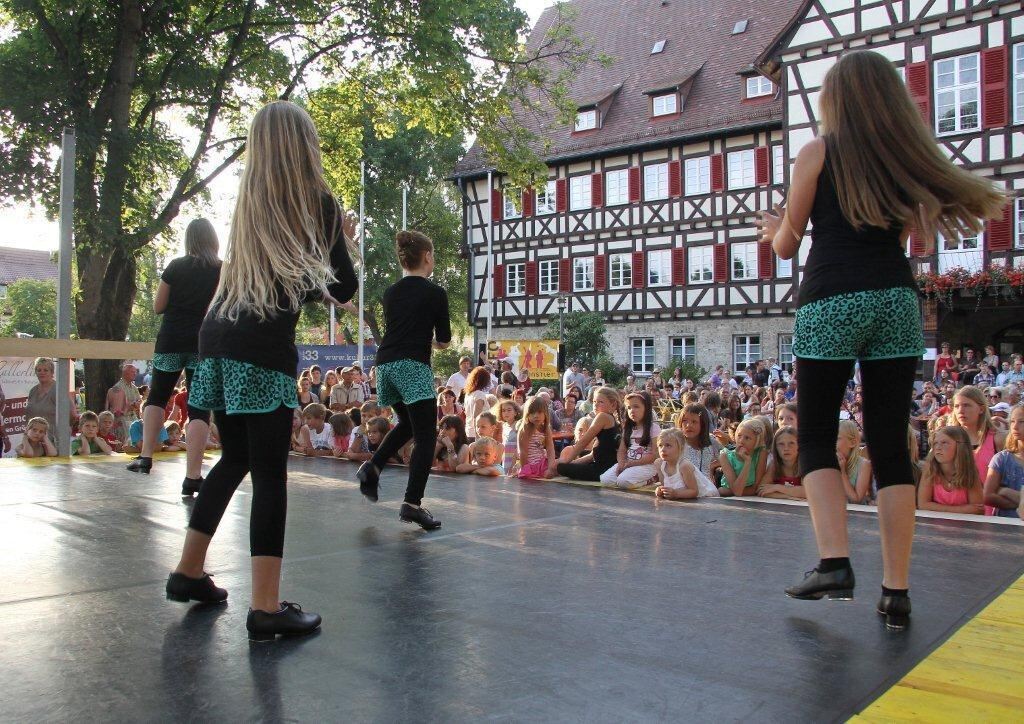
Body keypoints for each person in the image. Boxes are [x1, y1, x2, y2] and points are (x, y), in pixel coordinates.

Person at [756, 51, 1004, 629]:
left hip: (831, 299)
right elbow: (913, 230)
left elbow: (790, 244)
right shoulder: (903, 161)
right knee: (890, 444)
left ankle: (835, 562)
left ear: (835, 100)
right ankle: (896, 591)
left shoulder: (817, 152)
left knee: (816, 433)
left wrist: (773, 230)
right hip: (895, 300)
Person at [167, 101, 358, 640]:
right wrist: (343, 237)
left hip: (217, 336)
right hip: (260, 346)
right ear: (304, 145)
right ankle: (266, 607)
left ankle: (188, 571)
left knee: (235, 459)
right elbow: (343, 288)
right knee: (270, 475)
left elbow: (281, 277)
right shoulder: (317, 201)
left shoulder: (247, 203)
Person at [354, 229, 450, 531]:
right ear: (426, 257)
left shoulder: (391, 292)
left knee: (408, 425)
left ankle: (373, 467)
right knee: (426, 437)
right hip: (412, 365)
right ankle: (412, 504)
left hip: (385, 365)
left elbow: (400, 327)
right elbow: (444, 340)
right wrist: (433, 343)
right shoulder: (435, 293)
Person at [126, 218, 221, 494]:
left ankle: (145, 457)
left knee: (157, 396)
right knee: (199, 406)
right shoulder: (222, 269)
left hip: (170, 339)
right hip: (202, 343)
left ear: (188, 239)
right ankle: (193, 475)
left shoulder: (176, 266)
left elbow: (158, 306)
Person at [557, 387, 622, 481]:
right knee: (566, 464)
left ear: (613, 404)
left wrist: (566, 462)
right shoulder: (613, 420)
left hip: (601, 470)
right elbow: (592, 455)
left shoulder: (603, 416)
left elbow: (583, 442)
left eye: (600, 402)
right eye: (594, 401)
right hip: (605, 466)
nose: (596, 405)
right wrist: (571, 463)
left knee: (560, 468)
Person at [917, 426, 984, 514]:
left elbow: (977, 510)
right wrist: (961, 510)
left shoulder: (970, 472)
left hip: (964, 526)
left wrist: (935, 507)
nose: (938, 447)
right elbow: (923, 505)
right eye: (935, 443)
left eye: (944, 443)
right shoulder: (929, 470)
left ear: (960, 446)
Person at [600, 392, 660, 488]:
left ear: (647, 408)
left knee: (623, 482)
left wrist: (632, 464)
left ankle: (651, 479)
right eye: (629, 407)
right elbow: (621, 451)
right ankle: (629, 477)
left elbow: (654, 454)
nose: (632, 410)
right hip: (628, 463)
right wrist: (621, 464)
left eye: (636, 406)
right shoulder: (628, 429)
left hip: (646, 465)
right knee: (605, 480)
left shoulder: (654, 428)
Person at [949, 386, 1007, 483]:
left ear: (981, 409)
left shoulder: (998, 439)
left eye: (966, 405)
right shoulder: (947, 438)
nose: (960, 410)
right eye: (957, 406)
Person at [654, 429, 719, 501]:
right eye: (660, 445)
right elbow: (665, 486)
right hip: (684, 501)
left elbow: (694, 491)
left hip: (707, 499)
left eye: (668, 445)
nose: (662, 449)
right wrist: (661, 490)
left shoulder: (684, 466)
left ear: (680, 448)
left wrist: (676, 494)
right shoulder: (660, 464)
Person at [25, 357, 78, 444]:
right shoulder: (33, 391)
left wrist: (61, 431)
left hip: (54, 441)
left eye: (46, 370)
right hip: (34, 441)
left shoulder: (58, 390)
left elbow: (72, 414)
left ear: (52, 372)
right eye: (39, 370)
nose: (42, 372)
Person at [983, 405, 1024, 518]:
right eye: (1012, 421)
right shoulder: (1001, 459)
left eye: (1022, 422)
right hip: (1005, 527)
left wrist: (1006, 492)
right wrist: (1021, 502)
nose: (1015, 427)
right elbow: (988, 496)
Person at [718, 418, 767, 497]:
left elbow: (756, 488)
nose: (741, 441)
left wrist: (728, 491)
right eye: (739, 436)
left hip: (752, 501)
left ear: (757, 440)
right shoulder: (724, 456)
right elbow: (737, 491)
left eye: (747, 438)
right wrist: (747, 463)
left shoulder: (761, 453)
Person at [675, 404, 721, 482]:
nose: (688, 425)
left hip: (708, 490)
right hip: (684, 490)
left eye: (694, 422)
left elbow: (727, 459)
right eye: (684, 420)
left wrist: (714, 466)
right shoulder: (676, 443)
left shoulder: (711, 442)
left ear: (703, 424)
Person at [516, 396, 557, 480]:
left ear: (545, 413)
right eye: (532, 413)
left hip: (541, 462)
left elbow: (550, 448)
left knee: (559, 465)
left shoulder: (546, 428)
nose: (536, 416)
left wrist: (550, 468)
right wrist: (525, 469)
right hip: (530, 464)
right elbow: (522, 451)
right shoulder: (526, 428)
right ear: (527, 414)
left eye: (539, 412)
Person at [758, 426, 804, 499]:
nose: (786, 448)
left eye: (791, 443)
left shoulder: (804, 465)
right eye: (781, 444)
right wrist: (788, 497)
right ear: (775, 447)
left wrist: (777, 487)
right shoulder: (774, 464)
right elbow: (762, 490)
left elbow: (806, 492)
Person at [106, 363, 142, 445]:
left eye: (135, 372)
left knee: (138, 437)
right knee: (127, 441)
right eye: (132, 372)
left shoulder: (134, 387)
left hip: (133, 416)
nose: (135, 374)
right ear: (125, 373)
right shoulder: (117, 387)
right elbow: (116, 408)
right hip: (123, 418)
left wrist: (138, 403)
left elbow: (139, 400)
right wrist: (131, 405)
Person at [837, 419, 872, 504]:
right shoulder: (829, 463)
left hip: (856, 514)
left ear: (852, 443)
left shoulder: (864, 465)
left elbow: (856, 499)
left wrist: (842, 472)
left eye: (837, 438)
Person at [463, 367, 492, 441]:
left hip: (469, 431)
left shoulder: (468, 394)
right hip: (478, 434)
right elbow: (476, 416)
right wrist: (477, 437)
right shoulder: (479, 395)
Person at [497, 400, 522, 475]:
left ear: (515, 412)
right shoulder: (503, 426)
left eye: (509, 410)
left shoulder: (518, 425)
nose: (506, 413)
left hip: (516, 458)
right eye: (503, 411)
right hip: (506, 457)